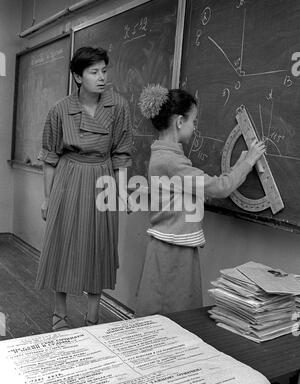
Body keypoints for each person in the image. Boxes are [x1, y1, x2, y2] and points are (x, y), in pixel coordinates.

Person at [135, 84, 265, 317]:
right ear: (179, 122)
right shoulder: (171, 162)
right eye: (193, 121)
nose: (195, 128)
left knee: (170, 315)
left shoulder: (165, 155)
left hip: (171, 245)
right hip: (172, 251)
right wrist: (247, 162)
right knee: (172, 318)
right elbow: (219, 187)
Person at [36, 46, 133, 330]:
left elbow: (122, 154)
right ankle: (59, 315)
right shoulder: (60, 110)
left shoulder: (119, 107)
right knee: (62, 243)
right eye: (94, 72)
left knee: (98, 244)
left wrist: (123, 191)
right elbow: (50, 157)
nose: (101, 77)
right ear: (78, 77)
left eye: (104, 71)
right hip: (68, 177)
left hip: (102, 177)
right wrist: (46, 197)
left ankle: (93, 316)